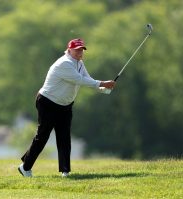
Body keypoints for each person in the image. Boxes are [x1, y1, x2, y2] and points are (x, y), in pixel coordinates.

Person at [18, 38, 115, 178]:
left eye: (81, 49)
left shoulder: (79, 63)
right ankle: (25, 167)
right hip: (48, 103)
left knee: (64, 138)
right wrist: (103, 83)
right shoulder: (64, 63)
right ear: (69, 50)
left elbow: (88, 79)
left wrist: (104, 88)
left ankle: (65, 171)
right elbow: (80, 80)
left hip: (65, 105)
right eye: (77, 49)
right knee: (42, 136)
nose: (79, 52)